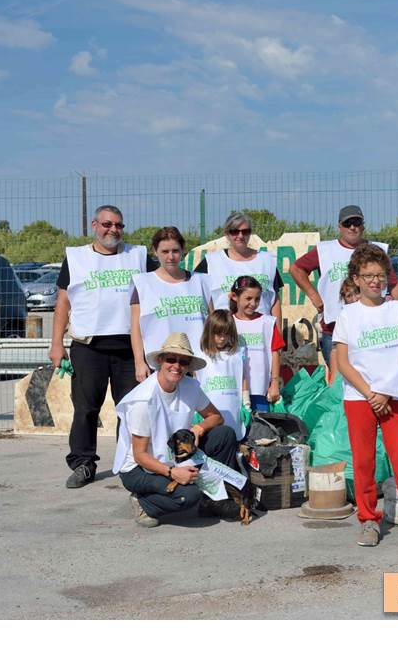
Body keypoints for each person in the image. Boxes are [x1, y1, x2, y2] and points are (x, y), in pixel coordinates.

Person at [333, 243, 398, 548]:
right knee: (364, 462)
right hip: (359, 399)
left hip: (394, 398)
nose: (375, 281)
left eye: (380, 275)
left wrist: (386, 393)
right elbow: (343, 362)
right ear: (356, 279)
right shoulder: (348, 315)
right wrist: (370, 393)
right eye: (368, 276)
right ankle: (368, 520)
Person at [50, 204, 156, 489]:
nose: (114, 230)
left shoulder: (138, 256)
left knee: (132, 409)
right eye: (108, 224)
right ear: (95, 226)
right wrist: (56, 344)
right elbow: (63, 303)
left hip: (130, 348)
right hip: (88, 346)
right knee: (85, 409)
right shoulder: (76, 258)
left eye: (119, 225)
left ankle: (131, 462)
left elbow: (161, 285)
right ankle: (83, 463)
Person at [112, 332, 240, 528]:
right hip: (139, 468)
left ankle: (212, 501)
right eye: (171, 359)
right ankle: (144, 503)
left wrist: (199, 428)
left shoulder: (191, 386)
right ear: (161, 361)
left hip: (177, 455)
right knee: (188, 496)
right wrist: (173, 473)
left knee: (225, 435)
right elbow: (140, 456)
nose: (177, 366)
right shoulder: (143, 401)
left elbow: (216, 417)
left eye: (183, 362)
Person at [289, 205, 398, 366]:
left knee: (370, 374)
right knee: (339, 377)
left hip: (371, 330)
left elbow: (394, 285)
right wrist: (314, 296)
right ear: (340, 226)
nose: (352, 227)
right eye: (347, 223)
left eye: (357, 222)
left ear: (363, 226)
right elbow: (296, 269)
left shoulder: (377, 251)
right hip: (334, 329)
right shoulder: (325, 250)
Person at [130, 227, 211, 382]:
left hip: (197, 364)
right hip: (160, 365)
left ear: (183, 250)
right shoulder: (142, 283)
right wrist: (139, 362)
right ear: (155, 251)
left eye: (175, 251)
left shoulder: (201, 281)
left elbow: (213, 322)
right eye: (165, 251)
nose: (171, 257)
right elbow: (135, 328)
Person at [196, 211, 284, 325]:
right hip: (226, 332)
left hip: (261, 331)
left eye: (245, 231)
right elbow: (199, 293)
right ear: (227, 234)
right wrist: (213, 323)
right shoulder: (211, 262)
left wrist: (278, 332)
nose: (240, 236)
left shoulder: (267, 260)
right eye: (235, 231)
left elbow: (275, 300)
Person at [229, 275, 285, 413]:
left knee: (260, 425)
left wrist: (274, 383)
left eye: (257, 299)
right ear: (235, 297)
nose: (253, 303)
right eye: (248, 298)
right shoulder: (227, 322)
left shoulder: (267, 322)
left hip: (260, 390)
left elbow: (275, 352)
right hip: (233, 390)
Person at [197, 309, 250, 441]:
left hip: (232, 407)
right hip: (209, 409)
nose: (222, 338)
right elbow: (195, 380)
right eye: (218, 334)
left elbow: (242, 377)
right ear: (209, 332)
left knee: (232, 437)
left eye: (226, 334)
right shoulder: (200, 355)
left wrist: (246, 402)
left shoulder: (236, 354)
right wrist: (195, 409)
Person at [327, 276, 360, 385]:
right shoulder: (344, 319)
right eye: (349, 296)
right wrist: (334, 379)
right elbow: (335, 350)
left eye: (357, 292)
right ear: (344, 300)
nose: (354, 299)